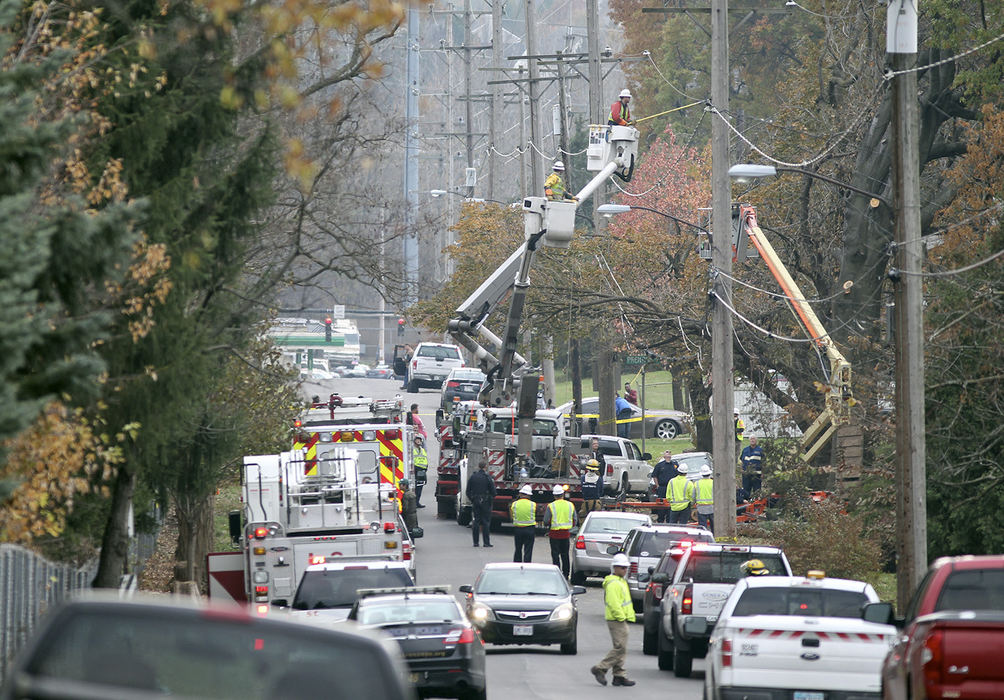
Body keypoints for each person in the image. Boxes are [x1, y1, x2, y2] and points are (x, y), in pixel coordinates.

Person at [590, 553, 637, 687]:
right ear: (614, 568)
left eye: (626, 568)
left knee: (621, 648)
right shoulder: (613, 583)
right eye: (622, 568)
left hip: (621, 618)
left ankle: (619, 676)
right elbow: (613, 602)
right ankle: (600, 668)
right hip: (617, 619)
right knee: (620, 648)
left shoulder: (620, 581)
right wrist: (621, 616)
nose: (625, 570)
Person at [543, 485, 577, 577]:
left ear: (554, 495)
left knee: (555, 555)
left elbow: (546, 521)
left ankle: (556, 574)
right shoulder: (570, 505)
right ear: (563, 494)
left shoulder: (551, 506)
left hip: (554, 534)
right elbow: (575, 520)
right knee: (565, 555)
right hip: (565, 534)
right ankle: (565, 575)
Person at [466, 461, 496, 547]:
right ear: (485, 467)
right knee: (486, 522)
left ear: (478, 467)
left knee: (476, 521)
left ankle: (476, 542)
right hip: (486, 502)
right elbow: (493, 492)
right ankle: (486, 543)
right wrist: (491, 497)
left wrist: (472, 499)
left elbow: (468, 491)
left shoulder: (473, 477)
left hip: (476, 501)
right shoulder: (488, 478)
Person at [650, 450, 679, 523]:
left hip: (672, 488)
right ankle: (660, 520)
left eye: (670, 454)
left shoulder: (675, 465)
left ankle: (670, 521)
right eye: (667, 453)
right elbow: (654, 476)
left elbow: (678, 475)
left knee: (670, 505)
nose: (668, 455)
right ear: (664, 456)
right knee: (661, 506)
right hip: (662, 488)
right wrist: (657, 486)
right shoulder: (659, 465)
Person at [510, 484, 536, 563]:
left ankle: (517, 565)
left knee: (518, 549)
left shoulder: (514, 504)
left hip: (518, 529)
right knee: (528, 550)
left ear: (521, 494)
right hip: (530, 529)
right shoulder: (533, 504)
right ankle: (527, 566)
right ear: (529, 495)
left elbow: (512, 516)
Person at [694, 465, 714, 531]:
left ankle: (703, 539)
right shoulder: (713, 482)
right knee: (714, 526)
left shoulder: (696, 483)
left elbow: (693, 496)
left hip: (701, 508)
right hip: (712, 507)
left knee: (702, 528)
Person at [412, 435, 428, 508]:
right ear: (414, 441)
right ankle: (414, 502)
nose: (419, 441)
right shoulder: (412, 449)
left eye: (420, 440)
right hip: (415, 470)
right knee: (415, 487)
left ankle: (417, 502)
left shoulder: (422, 450)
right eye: (417, 440)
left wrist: (426, 467)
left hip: (422, 470)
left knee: (420, 487)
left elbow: (425, 459)